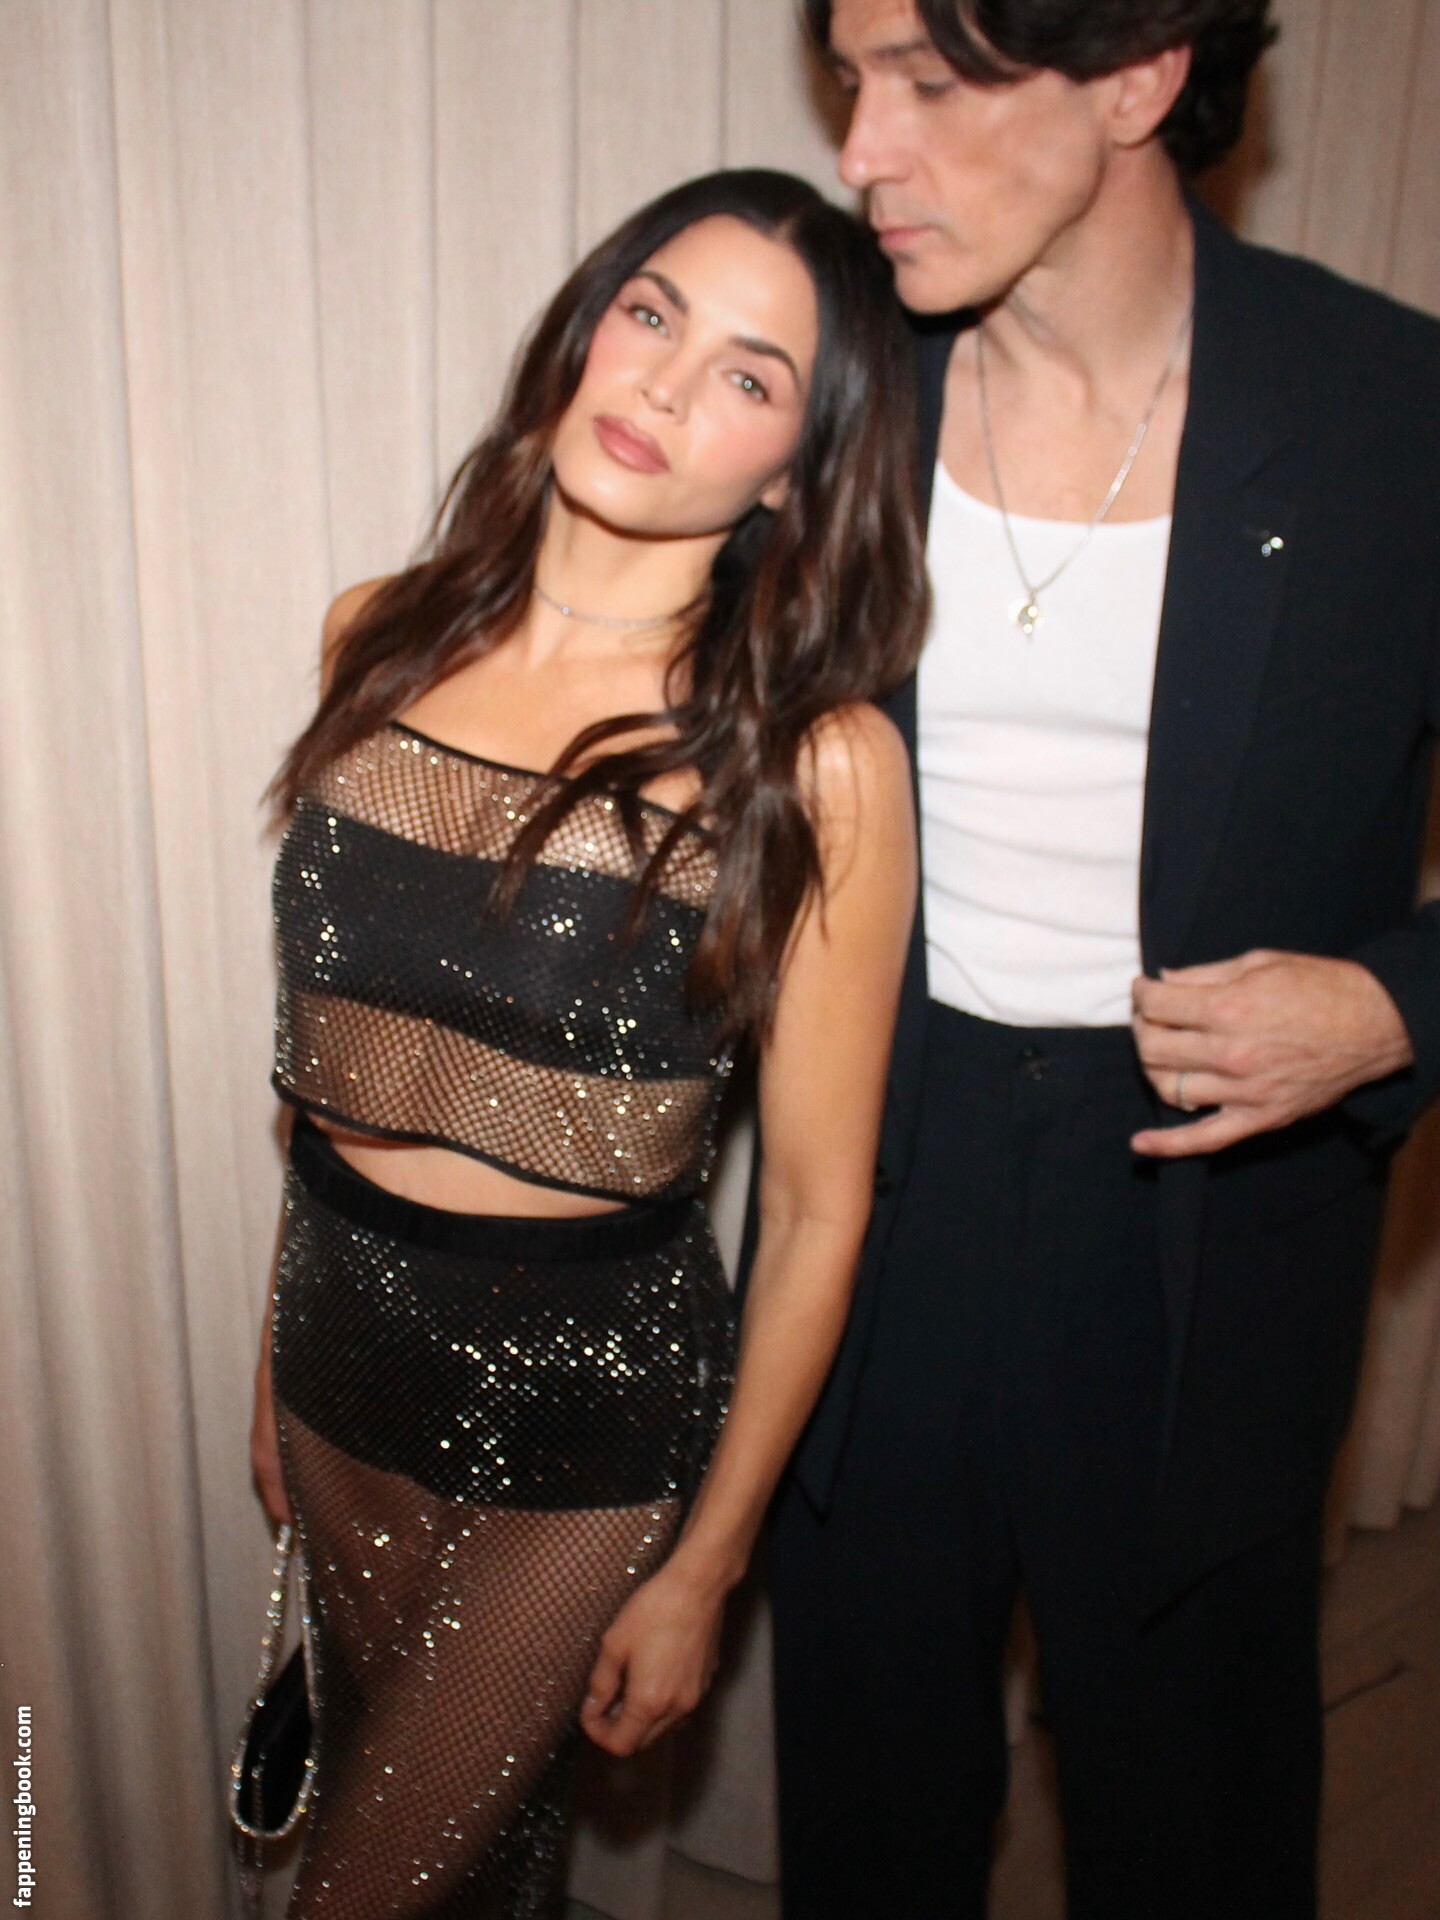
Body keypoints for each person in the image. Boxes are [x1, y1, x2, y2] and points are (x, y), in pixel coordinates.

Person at [762, 5, 1440, 1918]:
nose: (862, 149)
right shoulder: (837, 381)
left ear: (1139, 75)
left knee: (1190, 1816)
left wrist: (1392, 1002)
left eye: (931, 81)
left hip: (1210, 1224)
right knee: (870, 1805)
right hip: (877, 1198)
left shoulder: (1391, 410)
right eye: (851, 81)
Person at [247, 167, 925, 1919]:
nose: (667, 385)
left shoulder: (815, 762)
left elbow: (819, 1212)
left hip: (587, 1431)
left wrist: (712, 1563)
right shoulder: (375, 637)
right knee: (482, 1869)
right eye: (651, 315)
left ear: (794, 471)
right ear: (584, 328)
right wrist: (272, 1353)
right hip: (336, 1359)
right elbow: (324, 1059)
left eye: (750, 376)